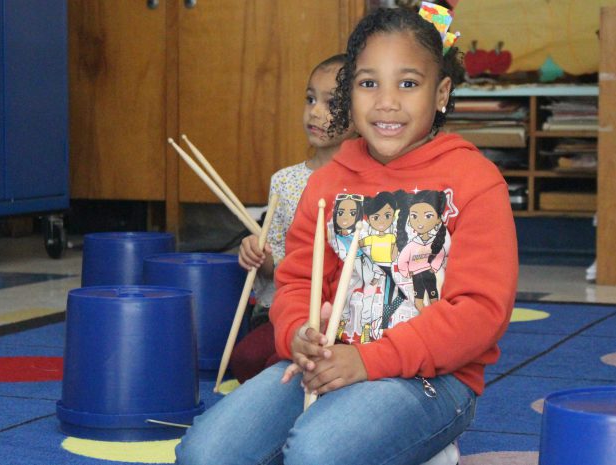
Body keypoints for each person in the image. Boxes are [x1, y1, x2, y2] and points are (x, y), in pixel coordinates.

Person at [176, 6, 517, 465]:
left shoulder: (475, 179)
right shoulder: (328, 183)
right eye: (368, 83)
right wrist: (298, 334)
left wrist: (369, 362)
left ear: (441, 94)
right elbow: (296, 281)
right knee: (203, 454)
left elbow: (480, 312)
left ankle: (419, 447)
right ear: (349, 93)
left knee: (316, 453)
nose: (386, 102)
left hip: (434, 378)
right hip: (329, 364)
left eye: (408, 84)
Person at [229, 54, 356, 383]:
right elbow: (273, 267)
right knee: (244, 358)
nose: (315, 111)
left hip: (344, 315)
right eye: (311, 99)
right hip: (285, 311)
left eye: (332, 103)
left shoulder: (364, 182)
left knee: (281, 363)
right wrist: (258, 253)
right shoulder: (284, 181)